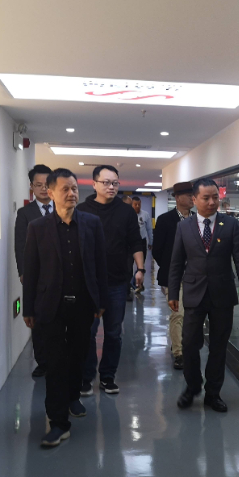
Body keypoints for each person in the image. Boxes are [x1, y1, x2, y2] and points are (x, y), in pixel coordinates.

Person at [23, 168, 108, 447]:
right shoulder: (38, 228)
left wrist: (101, 301)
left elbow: (100, 264)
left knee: (78, 357)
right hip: (51, 306)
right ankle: (58, 422)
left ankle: (72, 397)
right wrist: (28, 309)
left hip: (83, 305)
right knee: (56, 363)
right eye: (65, 189)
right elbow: (31, 271)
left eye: (74, 188)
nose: (72, 193)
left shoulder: (92, 223)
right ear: (50, 193)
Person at [168, 178, 239, 412]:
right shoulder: (184, 227)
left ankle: (213, 393)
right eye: (206, 198)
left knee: (219, 346)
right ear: (194, 199)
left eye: (215, 197)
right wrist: (173, 292)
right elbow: (176, 262)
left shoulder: (231, 224)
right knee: (189, 344)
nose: (212, 202)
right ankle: (192, 386)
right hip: (194, 292)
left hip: (222, 293)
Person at [77, 165, 146, 395]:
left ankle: (107, 377)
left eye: (115, 183)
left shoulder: (126, 212)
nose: (111, 187)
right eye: (106, 182)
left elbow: (135, 242)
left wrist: (140, 269)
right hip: (89, 283)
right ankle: (86, 377)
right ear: (94, 184)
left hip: (117, 281)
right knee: (87, 332)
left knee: (114, 332)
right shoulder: (82, 210)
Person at [14, 164, 53, 377]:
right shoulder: (25, 213)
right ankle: (43, 362)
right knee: (38, 320)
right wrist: (23, 272)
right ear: (31, 186)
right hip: (36, 275)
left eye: (47, 184)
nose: (43, 189)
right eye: (38, 185)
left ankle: (61, 359)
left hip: (62, 274)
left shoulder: (63, 208)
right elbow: (20, 244)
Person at [152, 181, 193, 370]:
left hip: (195, 277)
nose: (192, 198)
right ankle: (179, 353)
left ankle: (180, 342)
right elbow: (157, 250)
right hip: (173, 277)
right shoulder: (165, 220)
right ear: (177, 198)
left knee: (191, 315)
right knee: (178, 313)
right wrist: (172, 269)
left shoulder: (198, 219)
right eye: (189, 195)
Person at [131, 195, 153, 293]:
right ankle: (130, 284)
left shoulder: (145, 214)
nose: (137, 206)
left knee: (141, 265)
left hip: (142, 242)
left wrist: (151, 242)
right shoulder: (128, 214)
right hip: (130, 242)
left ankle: (139, 284)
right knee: (129, 264)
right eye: (135, 204)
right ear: (132, 205)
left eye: (139, 204)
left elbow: (149, 229)